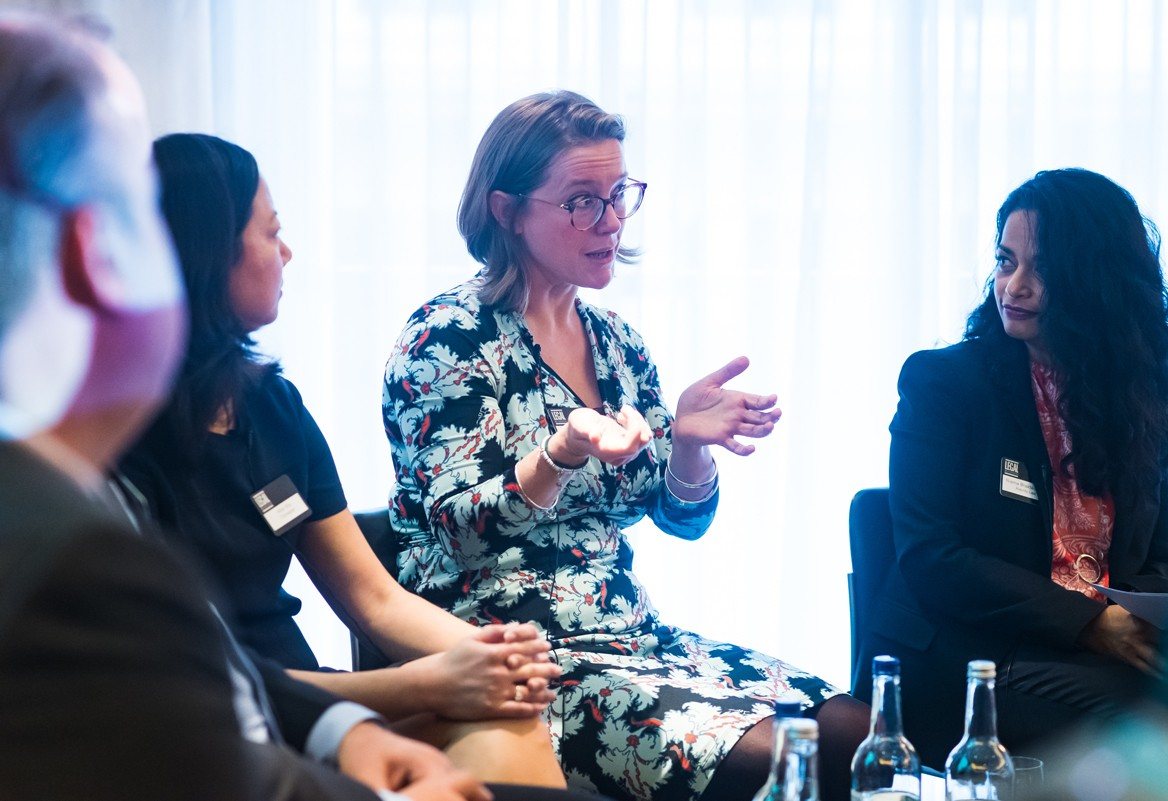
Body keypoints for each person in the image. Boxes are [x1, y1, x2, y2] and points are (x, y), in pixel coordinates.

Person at [0, 11, 490, 801]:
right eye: (138, 210)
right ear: (96, 252)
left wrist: (354, 723)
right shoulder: (78, 552)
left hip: (296, 718)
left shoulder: (266, 405)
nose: (288, 252)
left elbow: (351, 606)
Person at [382, 90, 868, 801]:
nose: (611, 221)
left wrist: (689, 447)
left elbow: (682, 519)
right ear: (506, 210)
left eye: (618, 196)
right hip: (515, 653)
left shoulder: (616, 343)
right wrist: (558, 455)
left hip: (631, 636)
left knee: (854, 729)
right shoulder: (446, 338)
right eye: (582, 201)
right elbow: (462, 532)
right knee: (775, 756)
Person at [119, 132, 571, 788]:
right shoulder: (121, 437)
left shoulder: (271, 406)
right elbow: (199, 680)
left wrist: (490, 656)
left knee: (508, 719)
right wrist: (422, 682)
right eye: (271, 233)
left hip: (313, 707)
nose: (287, 253)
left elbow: (374, 598)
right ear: (208, 253)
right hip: (218, 724)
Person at [873, 168, 1168, 763]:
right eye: (1005, 261)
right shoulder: (944, 383)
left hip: (1094, 659)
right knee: (1157, 728)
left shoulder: (1135, 400)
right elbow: (932, 558)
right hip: (967, 662)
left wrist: (1135, 623)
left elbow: (1163, 564)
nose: (1013, 286)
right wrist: (1091, 624)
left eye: (1041, 269)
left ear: (1097, 281)